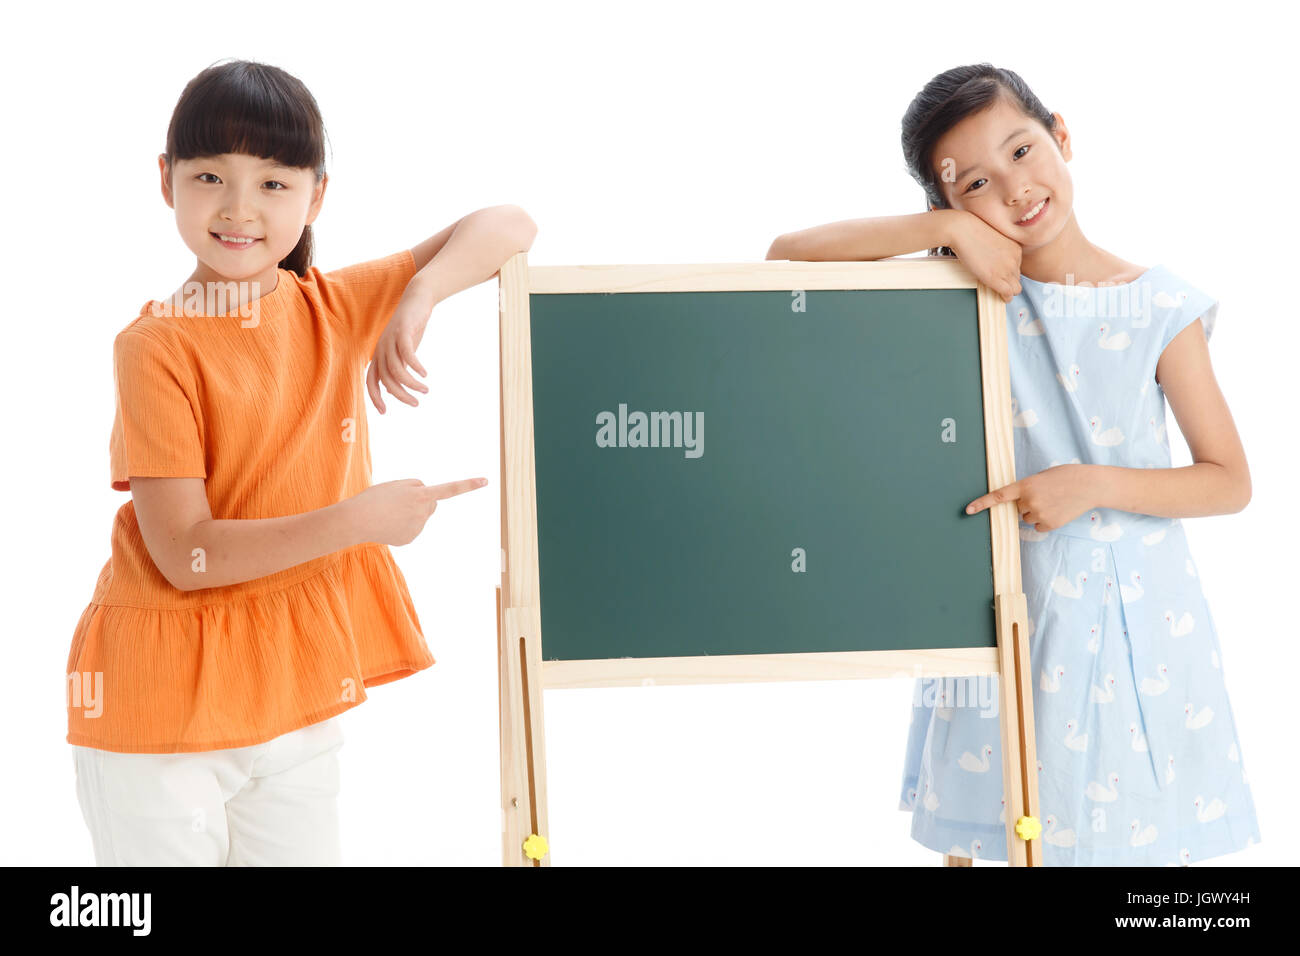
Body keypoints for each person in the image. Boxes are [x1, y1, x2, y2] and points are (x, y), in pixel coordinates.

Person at [766, 63, 1260, 865]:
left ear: (1061, 135)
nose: (1015, 190)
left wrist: (1090, 485)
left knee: (1121, 839)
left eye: (1024, 151)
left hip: (1134, 623)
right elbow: (788, 260)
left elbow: (1228, 479)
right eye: (976, 185)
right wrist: (944, 234)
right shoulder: (963, 290)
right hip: (1000, 609)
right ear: (947, 207)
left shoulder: (1157, 306)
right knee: (993, 831)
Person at [66, 58, 536, 866]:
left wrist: (419, 294)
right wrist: (359, 521)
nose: (239, 209)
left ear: (317, 194)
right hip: (163, 700)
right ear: (166, 180)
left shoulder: (334, 307)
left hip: (293, 691)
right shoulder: (156, 348)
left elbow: (509, 223)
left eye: (275, 184)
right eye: (210, 175)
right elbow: (186, 553)